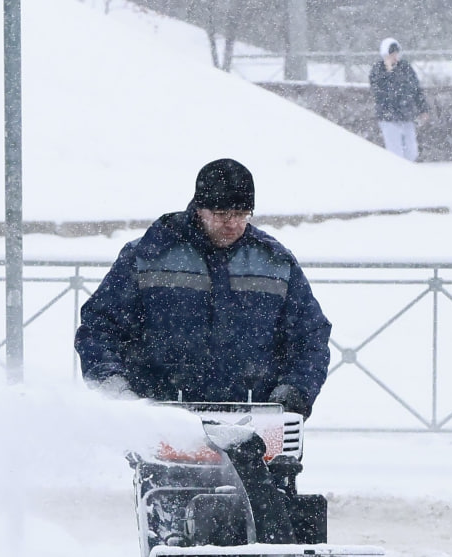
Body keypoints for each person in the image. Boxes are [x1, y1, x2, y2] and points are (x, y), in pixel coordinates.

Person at [74, 158, 332, 418]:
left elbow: (310, 336)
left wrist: (296, 390)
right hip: (161, 422)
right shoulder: (148, 255)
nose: (232, 223)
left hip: (255, 423)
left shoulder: (275, 262)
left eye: (242, 214)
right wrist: (115, 390)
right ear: (200, 209)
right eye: (222, 214)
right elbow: (100, 327)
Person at [369, 38, 429, 161]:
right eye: (391, 53)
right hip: (388, 117)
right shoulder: (378, 70)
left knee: (411, 152)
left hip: (406, 115)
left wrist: (423, 109)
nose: (394, 56)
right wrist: (389, 72)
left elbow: (416, 90)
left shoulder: (405, 67)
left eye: (396, 53)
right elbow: (379, 92)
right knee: (394, 152)